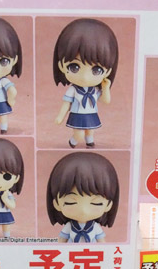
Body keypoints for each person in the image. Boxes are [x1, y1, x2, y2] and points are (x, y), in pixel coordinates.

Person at [53, 19, 118, 148]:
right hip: (77, 115)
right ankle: (73, 141)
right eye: (74, 67)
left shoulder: (95, 90)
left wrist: (106, 88)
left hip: (91, 114)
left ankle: (90, 142)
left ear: (107, 71)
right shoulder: (73, 90)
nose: (85, 77)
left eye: (96, 70)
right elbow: (66, 104)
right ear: (61, 66)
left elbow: (105, 101)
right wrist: (60, 116)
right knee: (79, 134)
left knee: (90, 131)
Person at [46, 152, 119, 243]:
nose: (84, 210)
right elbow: (61, 241)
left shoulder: (95, 227)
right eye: (70, 202)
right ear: (56, 203)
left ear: (108, 205)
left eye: (96, 203)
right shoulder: (69, 226)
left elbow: (102, 242)